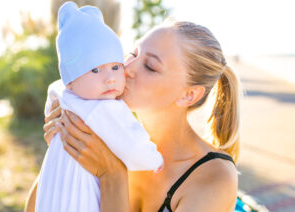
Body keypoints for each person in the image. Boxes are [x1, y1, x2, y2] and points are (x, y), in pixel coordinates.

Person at [25, 19, 241, 212]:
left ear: (189, 95)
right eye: (133, 54)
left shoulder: (214, 178)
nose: (126, 69)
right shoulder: (106, 139)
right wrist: (61, 147)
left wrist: (112, 176)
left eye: (150, 66)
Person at [34, 1, 163, 212]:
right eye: (95, 70)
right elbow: (132, 143)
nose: (110, 79)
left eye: (115, 67)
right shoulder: (103, 108)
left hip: (52, 188)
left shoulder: (62, 94)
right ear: (71, 80)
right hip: (80, 195)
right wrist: (153, 160)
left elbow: (51, 99)